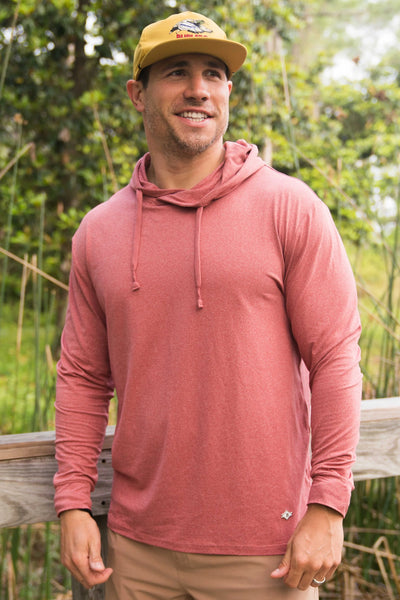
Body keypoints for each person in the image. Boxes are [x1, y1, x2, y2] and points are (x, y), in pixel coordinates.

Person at [54, 11, 362, 600]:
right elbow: (84, 377)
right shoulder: (99, 232)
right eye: (177, 72)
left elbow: (335, 361)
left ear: (228, 93)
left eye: (213, 74)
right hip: (135, 550)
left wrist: (328, 505)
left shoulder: (290, 209)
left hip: (268, 554)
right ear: (137, 94)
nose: (198, 89)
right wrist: (72, 501)